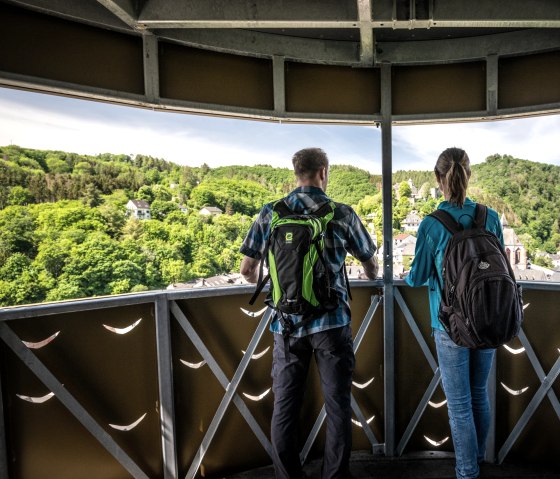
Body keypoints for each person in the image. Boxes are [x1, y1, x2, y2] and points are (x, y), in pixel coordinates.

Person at [240, 147, 378, 479]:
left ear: (295, 172)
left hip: (285, 324)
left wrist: (283, 283)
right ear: (323, 172)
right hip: (332, 325)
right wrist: (368, 276)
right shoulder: (342, 213)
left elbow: (247, 270)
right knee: (337, 407)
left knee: (285, 410)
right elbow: (371, 265)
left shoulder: (270, 212)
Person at [405, 147, 504, 479]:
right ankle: (477, 460)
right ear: (470, 175)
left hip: (449, 325)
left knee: (459, 406)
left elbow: (418, 277)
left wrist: (405, 275)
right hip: (489, 318)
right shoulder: (490, 217)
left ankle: (467, 472)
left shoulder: (432, 225)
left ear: (438, 179)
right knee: (479, 395)